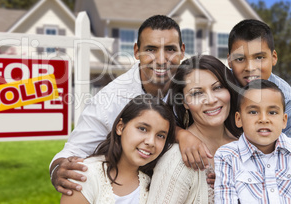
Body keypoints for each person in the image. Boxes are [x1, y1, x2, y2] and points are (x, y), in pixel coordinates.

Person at [50, 15, 212, 196]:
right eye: (150, 49)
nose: (160, 59)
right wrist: (58, 170)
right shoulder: (110, 100)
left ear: (182, 51)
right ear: (136, 51)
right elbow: (74, 150)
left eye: (170, 49)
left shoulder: (190, 85)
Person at [147, 55, 242, 204]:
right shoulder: (177, 159)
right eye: (197, 93)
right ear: (184, 102)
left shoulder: (247, 146)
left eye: (217, 87)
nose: (211, 100)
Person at [214, 79, 291, 203]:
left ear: (284, 120)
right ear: (238, 119)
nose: (263, 119)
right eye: (253, 112)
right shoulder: (227, 156)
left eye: (272, 112)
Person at [60, 94, 176, 204]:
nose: (151, 142)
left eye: (160, 136)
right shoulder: (85, 175)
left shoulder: (154, 182)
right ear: (120, 127)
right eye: (142, 129)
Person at [227, 19, 291, 140]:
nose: (250, 68)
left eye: (259, 57)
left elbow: (289, 155)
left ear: (273, 57)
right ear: (229, 61)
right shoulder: (218, 87)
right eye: (240, 59)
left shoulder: (290, 104)